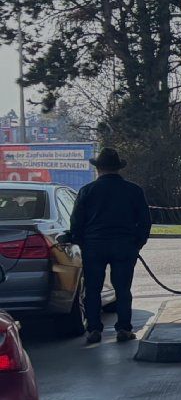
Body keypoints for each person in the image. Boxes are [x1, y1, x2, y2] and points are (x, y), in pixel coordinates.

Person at [62, 147, 152, 346]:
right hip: (124, 245)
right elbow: (145, 221)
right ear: (118, 168)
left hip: (94, 246)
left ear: (99, 168)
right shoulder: (133, 190)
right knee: (123, 289)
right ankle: (124, 329)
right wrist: (137, 242)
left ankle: (94, 329)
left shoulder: (87, 191)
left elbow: (76, 221)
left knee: (93, 289)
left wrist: (80, 241)